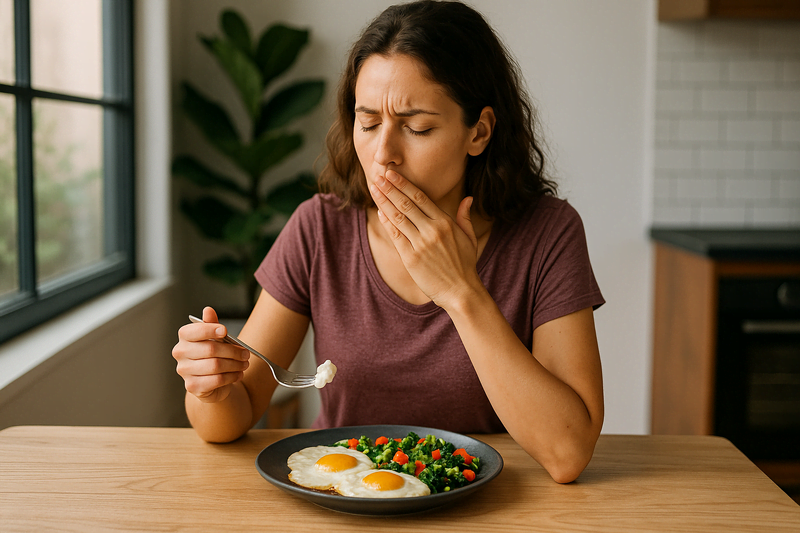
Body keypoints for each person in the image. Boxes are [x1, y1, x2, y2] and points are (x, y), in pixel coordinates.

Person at [172, 0, 604, 484]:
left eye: (417, 127)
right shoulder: (319, 228)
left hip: (486, 507)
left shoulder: (548, 233)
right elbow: (231, 417)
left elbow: (568, 453)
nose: (383, 155)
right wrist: (209, 387)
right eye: (369, 122)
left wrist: (461, 292)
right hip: (342, 497)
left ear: (478, 132)